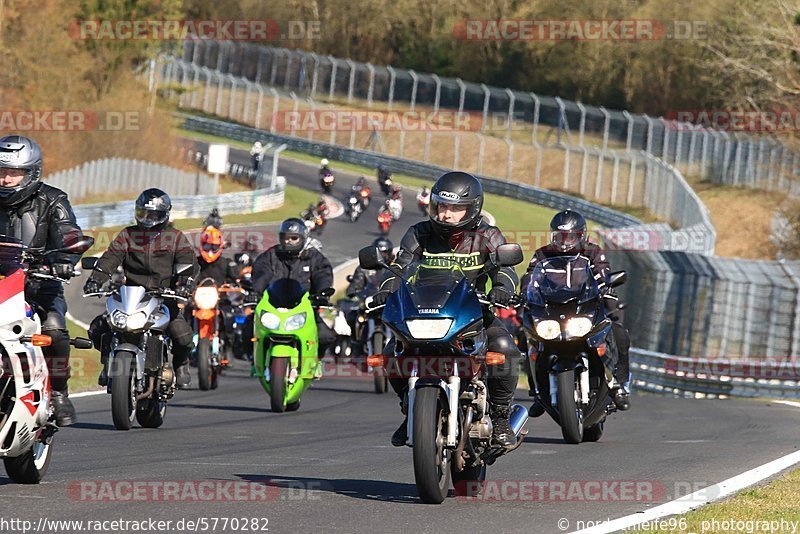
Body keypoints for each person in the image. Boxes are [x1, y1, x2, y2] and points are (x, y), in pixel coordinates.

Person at [371, 171, 521, 448]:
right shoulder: (418, 234)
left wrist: (503, 290)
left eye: (455, 208)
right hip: (424, 314)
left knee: (504, 346)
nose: (446, 214)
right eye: (441, 206)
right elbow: (399, 267)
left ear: (472, 208)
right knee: (392, 351)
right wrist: (384, 290)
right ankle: (411, 410)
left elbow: (506, 269)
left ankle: (500, 418)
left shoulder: (488, 235)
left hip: (473, 314)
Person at [0, 135, 87, 426]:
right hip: (1, 282)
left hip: (38, 282)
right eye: (1, 171)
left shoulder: (53, 200)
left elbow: (70, 234)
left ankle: (60, 394)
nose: (6, 179)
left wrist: (64, 261)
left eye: (14, 173)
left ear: (31, 172)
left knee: (55, 329)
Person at [84, 189, 199, 389]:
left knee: (183, 336)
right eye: (143, 213)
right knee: (98, 328)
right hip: (131, 296)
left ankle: (181, 364)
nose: (147, 219)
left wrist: (185, 284)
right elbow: (111, 258)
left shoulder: (175, 237)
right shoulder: (127, 235)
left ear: (164, 215)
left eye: (153, 215)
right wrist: (96, 279)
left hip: (164, 297)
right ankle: (108, 363)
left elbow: (188, 263)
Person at [521, 209, 631, 411]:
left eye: (570, 237)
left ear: (581, 235)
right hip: (552, 310)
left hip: (585, 306)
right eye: (559, 236)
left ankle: (619, 385)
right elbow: (530, 277)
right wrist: (524, 293)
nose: (564, 242)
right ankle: (537, 390)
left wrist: (606, 286)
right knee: (526, 336)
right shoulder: (542, 254)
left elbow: (602, 272)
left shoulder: (593, 252)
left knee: (619, 333)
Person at [247, 218, 335, 355]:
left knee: (325, 336)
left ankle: (314, 361)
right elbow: (261, 272)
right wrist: (255, 291)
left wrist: (322, 293)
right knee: (246, 330)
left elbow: (322, 273)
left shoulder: (314, 257)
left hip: (304, 308)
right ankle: (254, 358)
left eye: (293, 238)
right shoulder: (271, 255)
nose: (288, 242)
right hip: (272, 307)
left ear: (303, 238)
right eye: (285, 238)